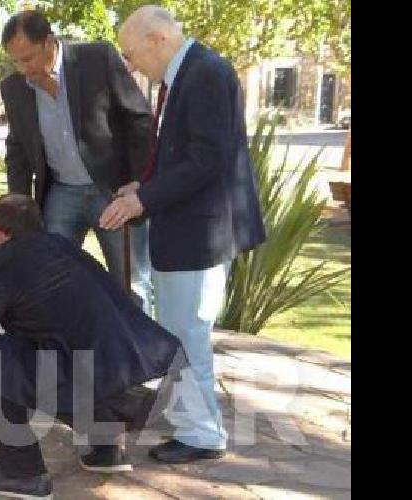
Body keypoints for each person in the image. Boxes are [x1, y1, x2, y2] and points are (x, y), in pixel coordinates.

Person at [0, 193, 182, 498]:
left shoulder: (3, 262)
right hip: (127, 361)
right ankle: (105, 444)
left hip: (82, 371)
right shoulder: (63, 246)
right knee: (49, 357)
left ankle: (23, 474)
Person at [99, 5, 267, 464]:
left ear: (158, 40)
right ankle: (191, 421)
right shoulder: (184, 73)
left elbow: (206, 159)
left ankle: (201, 434)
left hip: (201, 233)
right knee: (180, 330)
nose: (132, 64)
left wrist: (144, 201)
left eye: (133, 54)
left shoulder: (205, 73)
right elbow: (175, 150)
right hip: (188, 228)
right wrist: (143, 185)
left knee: (187, 332)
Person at [0, 10, 155, 312]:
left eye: (28, 58)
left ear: (48, 42)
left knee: (131, 283)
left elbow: (140, 119)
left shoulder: (96, 58)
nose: (22, 69)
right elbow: (18, 148)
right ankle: (69, 354)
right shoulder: (14, 88)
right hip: (61, 194)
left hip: (112, 192)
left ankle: (139, 356)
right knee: (51, 280)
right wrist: (18, 206)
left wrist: (138, 183)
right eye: (14, 61)